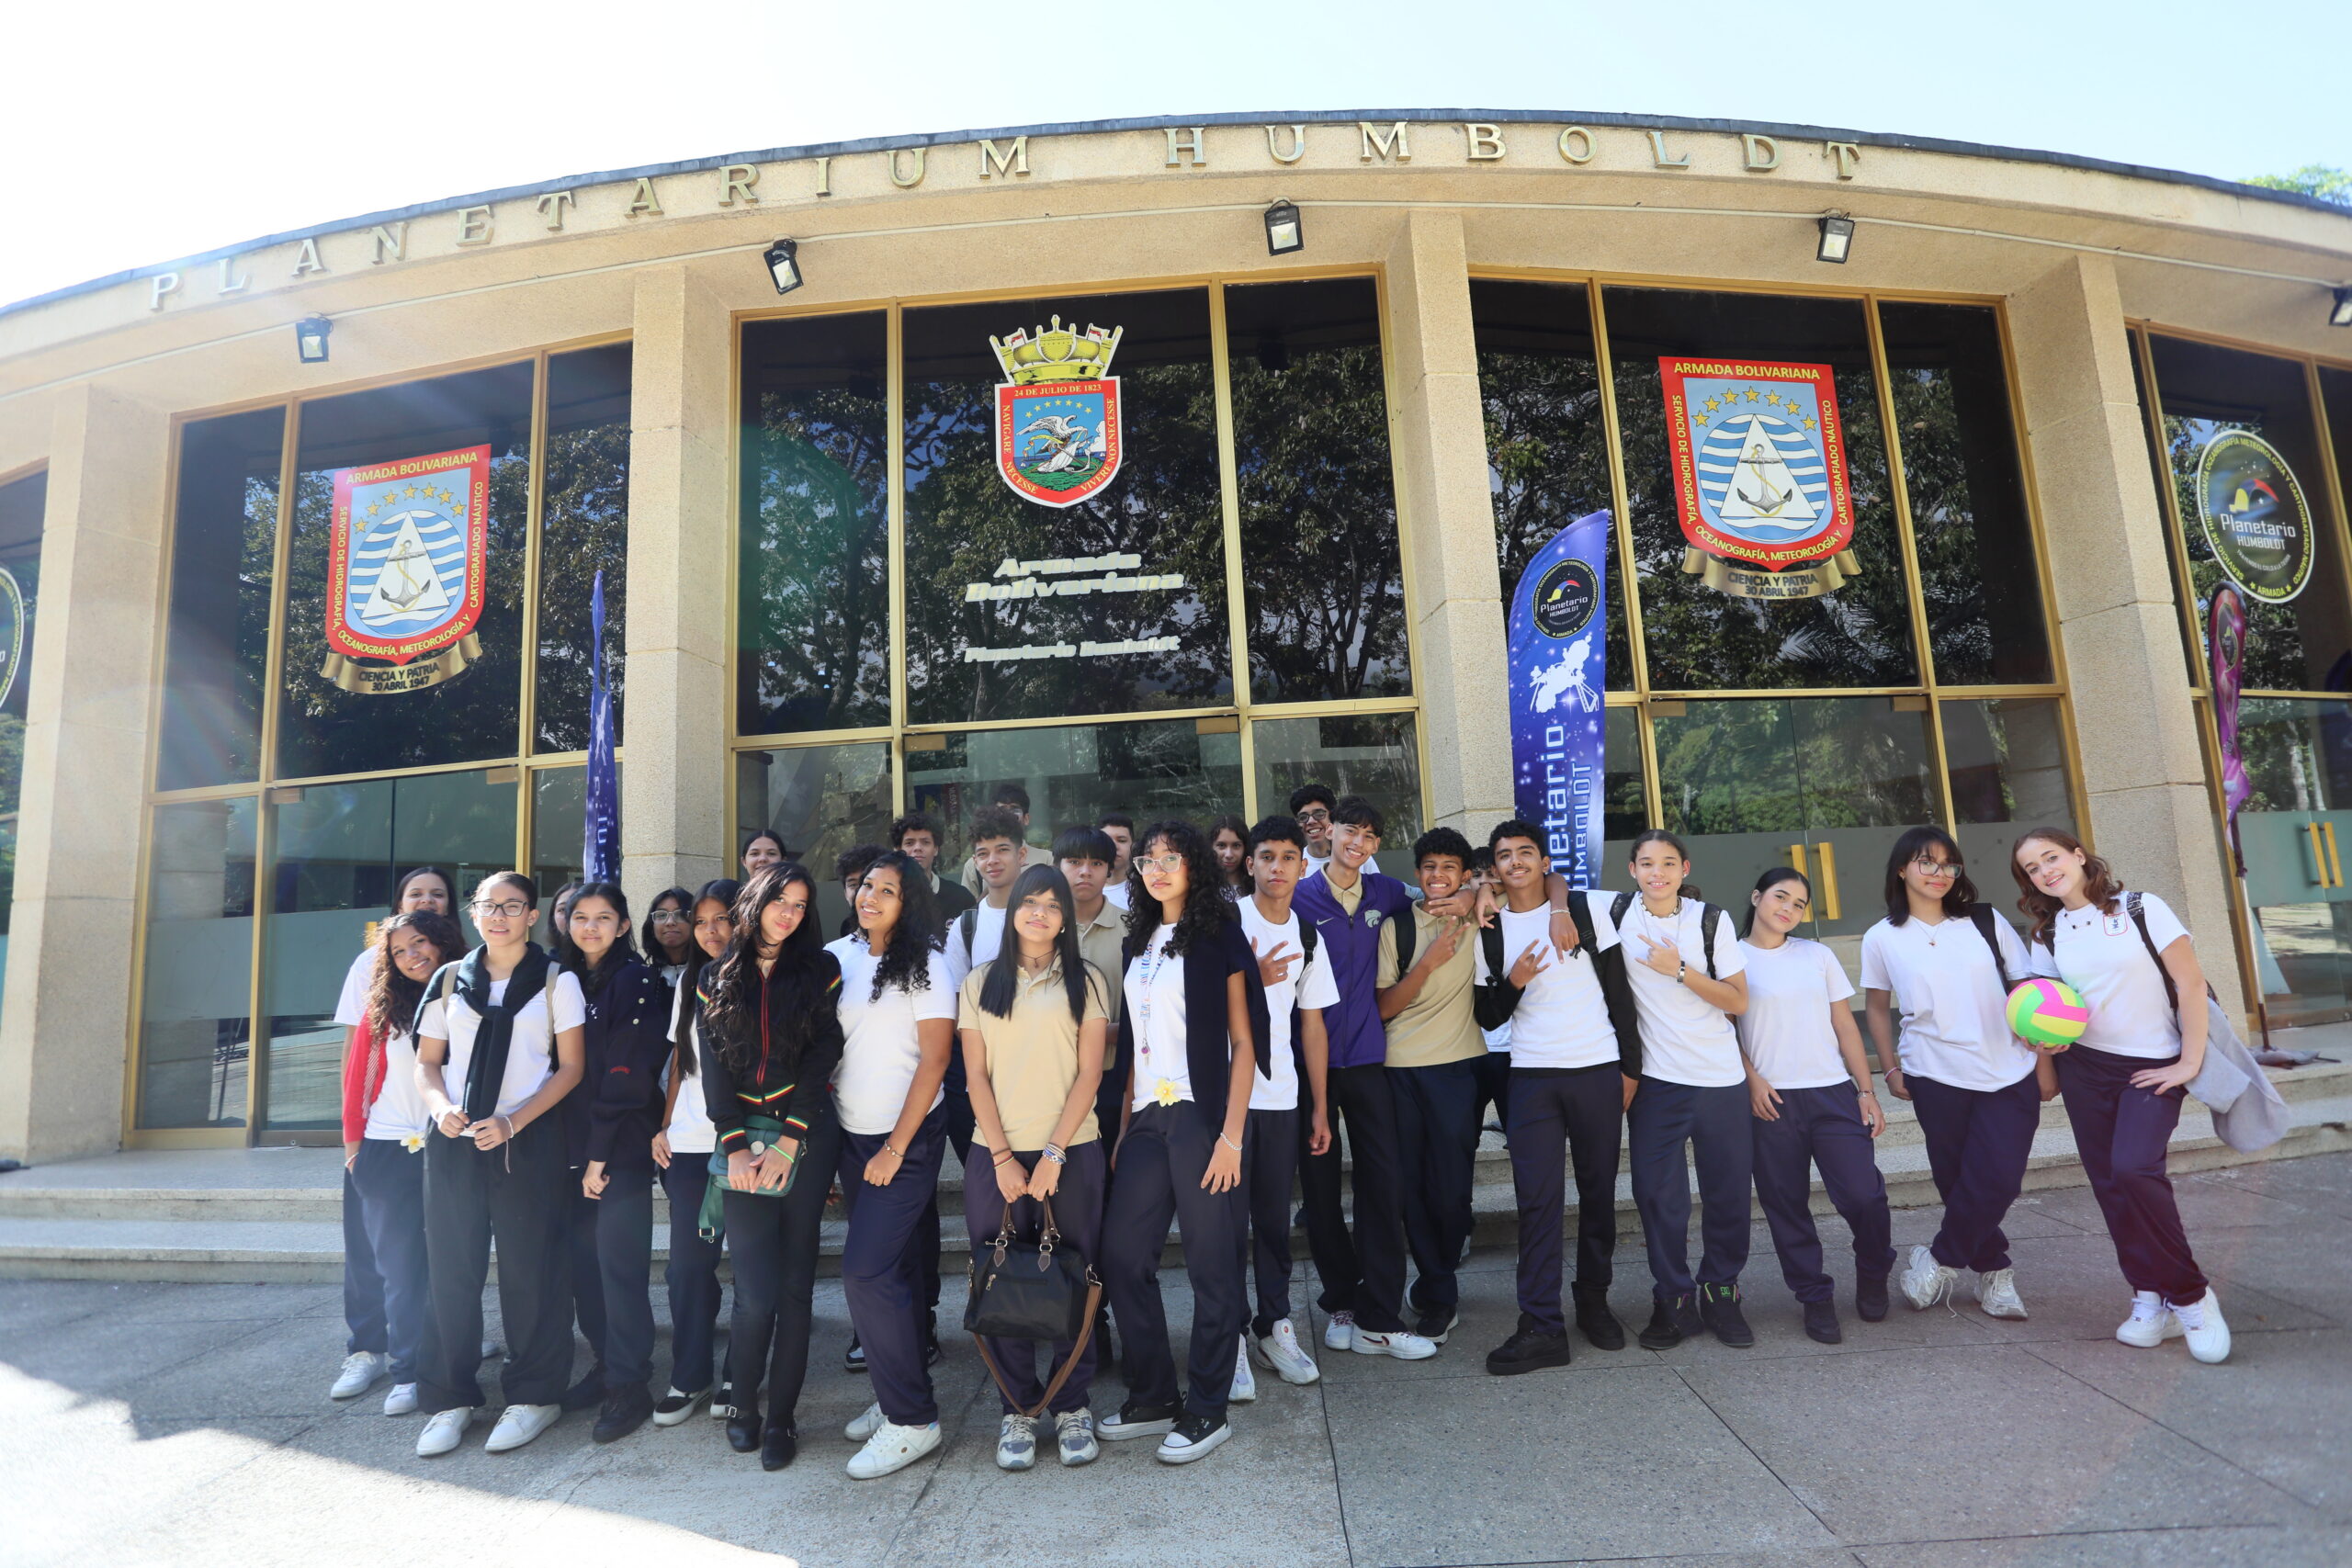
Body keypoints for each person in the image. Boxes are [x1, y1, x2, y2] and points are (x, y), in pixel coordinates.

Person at [2014, 828, 2229, 1361]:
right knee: (2111, 1184)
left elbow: (2191, 984)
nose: (2045, 871)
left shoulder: (2140, 908)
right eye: (2032, 868)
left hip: (2152, 1065)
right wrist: (2039, 1047)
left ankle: (2193, 1297)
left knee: (2136, 1170)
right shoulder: (2047, 934)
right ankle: (2149, 1293)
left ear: (2079, 856)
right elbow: (2044, 1005)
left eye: (2051, 857)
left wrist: (2189, 1061)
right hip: (2086, 1069)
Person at [1097, 819, 1271, 1463]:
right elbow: (1136, 1044)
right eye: (1148, 858)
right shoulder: (1138, 937)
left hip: (1202, 1117)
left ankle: (1207, 1407)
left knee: (1212, 1266)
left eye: (1172, 857)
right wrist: (1122, 1129)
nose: (1159, 867)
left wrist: (1232, 1136)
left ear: (1194, 865)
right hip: (1146, 1119)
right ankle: (1153, 1394)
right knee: (1121, 1256)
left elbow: (1246, 1040)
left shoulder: (1217, 934)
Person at [411, 872, 587, 1458]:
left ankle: (535, 1394)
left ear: (532, 916)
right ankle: (449, 1398)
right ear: (475, 911)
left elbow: (570, 1069)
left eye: (512, 907)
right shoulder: (447, 978)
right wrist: (439, 1109)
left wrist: (513, 1120)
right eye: (489, 905)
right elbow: (428, 1065)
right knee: (450, 1269)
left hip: (526, 1141)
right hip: (456, 1141)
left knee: (529, 1270)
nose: (499, 916)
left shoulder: (557, 979)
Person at [1862, 826, 2054, 1321]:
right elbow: (1878, 1008)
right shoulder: (1882, 937)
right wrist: (1889, 1069)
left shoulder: (1985, 921)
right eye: (1927, 862)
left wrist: (2047, 1060)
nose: (1940, 873)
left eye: (1949, 865)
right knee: (1957, 1178)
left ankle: (1940, 1258)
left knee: (2001, 1177)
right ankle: (1995, 1272)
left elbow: (2029, 989)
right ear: (1902, 867)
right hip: (1933, 1071)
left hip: (2009, 1068)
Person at [958, 863, 1111, 1470]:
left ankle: (1072, 1402)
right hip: (992, 1152)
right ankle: (1017, 1408)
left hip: (1072, 1148)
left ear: (1065, 917)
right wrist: (1001, 1155)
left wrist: (1052, 1153)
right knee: (1002, 1279)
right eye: (1030, 901)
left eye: (1053, 903)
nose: (1041, 912)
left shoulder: (1088, 980)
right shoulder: (978, 982)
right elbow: (973, 1074)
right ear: (1012, 909)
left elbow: (1090, 1073)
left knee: (1074, 1275)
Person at [1473, 820, 1635, 1374]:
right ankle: (1542, 1324)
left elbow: (1621, 995)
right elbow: (1487, 1015)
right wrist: (1513, 980)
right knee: (1537, 1203)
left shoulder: (1583, 912)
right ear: (1494, 868)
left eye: (1525, 852)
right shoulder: (1489, 929)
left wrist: (1629, 1071)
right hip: (1531, 1079)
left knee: (1597, 1195)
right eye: (1504, 856)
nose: (1515, 862)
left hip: (1595, 1070)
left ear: (1544, 861)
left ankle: (1593, 1302)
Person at [700, 866, 847, 1472]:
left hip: (804, 1138)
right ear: (756, 902)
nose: (787, 913)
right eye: (778, 901)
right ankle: (743, 1408)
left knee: (794, 1288)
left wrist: (789, 1138)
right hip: (741, 1143)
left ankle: (782, 1417)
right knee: (754, 1291)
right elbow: (715, 1069)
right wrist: (735, 1145)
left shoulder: (819, 971)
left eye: (799, 905)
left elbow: (822, 1057)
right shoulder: (714, 976)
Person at [1289, 796, 1438, 1361]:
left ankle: (1380, 1313)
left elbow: (1443, 896)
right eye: (1352, 829)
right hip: (1310, 1067)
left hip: (1372, 1061)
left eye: (1371, 835)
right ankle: (1342, 1302)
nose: (1359, 842)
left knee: (1384, 1184)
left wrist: (1477, 895)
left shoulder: (1388, 894)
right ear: (1331, 833)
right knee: (1322, 1193)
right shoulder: (1299, 897)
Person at [831, 850, 957, 1479]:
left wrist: (896, 1146)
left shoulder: (927, 963)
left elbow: (935, 1061)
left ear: (910, 901)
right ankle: (894, 1396)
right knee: (896, 1272)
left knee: (865, 1271)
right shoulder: (838, 955)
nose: (871, 896)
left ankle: (913, 1420)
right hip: (852, 1137)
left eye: (888, 888)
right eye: (865, 886)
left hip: (905, 1139)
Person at [1737, 867, 1894, 1345]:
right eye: (1780, 897)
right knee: (1785, 1206)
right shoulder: (1731, 957)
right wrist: (1752, 1080)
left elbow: (1846, 1026)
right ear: (1757, 896)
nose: (1788, 908)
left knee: (1863, 1195)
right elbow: (1722, 1027)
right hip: (1771, 1099)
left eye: (1799, 904)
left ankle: (1873, 1270)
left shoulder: (1817, 955)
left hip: (1831, 1093)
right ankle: (1814, 1297)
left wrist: (1866, 1091)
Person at [1612, 830, 1753, 1348]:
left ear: (1684, 869)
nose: (1657, 873)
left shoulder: (1709, 919)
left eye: (1668, 864)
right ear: (1631, 870)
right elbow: (1555, 888)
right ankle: (1673, 1298)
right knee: (1656, 1195)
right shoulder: (1616, 913)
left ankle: (1721, 1290)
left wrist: (1681, 971)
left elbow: (1738, 1000)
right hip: (1656, 1085)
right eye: (1646, 863)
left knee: (1729, 1193)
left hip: (1719, 1080)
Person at [334, 908, 464, 1416]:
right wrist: (354, 1151)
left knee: (449, 1265)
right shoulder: (381, 1007)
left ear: (443, 942)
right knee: (399, 1268)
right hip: (386, 1149)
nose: (413, 956)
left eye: (422, 944)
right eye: (400, 950)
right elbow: (356, 1083)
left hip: (448, 1144)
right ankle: (407, 1372)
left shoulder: (465, 998)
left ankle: (445, 1362)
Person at [568, 882, 680, 1443]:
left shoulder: (634, 980)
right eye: (579, 916)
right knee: (588, 1271)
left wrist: (598, 1155)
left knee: (620, 1272)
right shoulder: (571, 979)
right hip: (578, 1148)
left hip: (620, 1148)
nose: (590, 927)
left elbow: (628, 1075)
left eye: (603, 918)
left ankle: (630, 1384)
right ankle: (608, 1365)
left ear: (622, 924)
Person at [1231, 815, 1335, 1393]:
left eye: (1287, 857)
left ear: (1302, 864)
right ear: (1250, 864)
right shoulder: (1224, 923)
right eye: (1265, 856)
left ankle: (1273, 1326)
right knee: (1222, 1226)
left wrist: (1319, 1107)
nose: (1276, 867)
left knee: (1271, 1222)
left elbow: (1312, 1024)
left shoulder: (1307, 933)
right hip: (1224, 1100)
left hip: (1280, 1098)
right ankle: (1227, 1339)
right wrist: (1249, 975)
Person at [1374, 828, 1486, 1345]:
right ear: (1416, 874)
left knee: (1452, 1190)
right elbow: (1383, 1007)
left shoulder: (1478, 912)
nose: (1438, 876)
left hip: (1458, 1068)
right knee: (1412, 1190)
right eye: (1429, 867)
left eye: (1450, 868)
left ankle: (1439, 1279)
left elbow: (1536, 880)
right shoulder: (1396, 925)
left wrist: (1476, 894)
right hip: (1399, 1069)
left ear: (1465, 874)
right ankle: (1440, 1294)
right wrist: (1429, 963)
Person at [649, 877, 739, 1427]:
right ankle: (691, 1374)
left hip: (744, 1147)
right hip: (687, 1147)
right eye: (701, 921)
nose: (709, 931)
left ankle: (739, 1373)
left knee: (752, 1270)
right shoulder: (692, 979)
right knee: (688, 1269)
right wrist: (664, 1125)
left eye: (721, 919)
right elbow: (682, 1060)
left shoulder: (762, 978)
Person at [1057, 827, 1132, 1189]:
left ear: (1110, 869)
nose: (1085, 871)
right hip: (1054, 1077)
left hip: (1114, 1075)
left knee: (1113, 1181)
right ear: (1058, 867)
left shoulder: (1133, 928)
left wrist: (1115, 1032)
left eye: (1095, 863)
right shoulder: (1038, 927)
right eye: (1074, 862)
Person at [958, 784, 1054, 895]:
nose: (1008, 815)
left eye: (1014, 809)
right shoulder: (975, 865)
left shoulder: (1047, 859)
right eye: (1002, 810)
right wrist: (996, 881)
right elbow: (970, 908)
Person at [891, 811, 976, 920]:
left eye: (925, 842)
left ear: (936, 849)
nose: (917, 848)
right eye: (909, 843)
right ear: (899, 850)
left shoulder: (961, 898)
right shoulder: (888, 898)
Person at [1288, 784, 1381, 880]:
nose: (1311, 821)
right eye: (1303, 817)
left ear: (1333, 816)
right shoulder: (1292, 863)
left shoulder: (1357, 856)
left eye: (1319, 814)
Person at [641, 886, 696, 984]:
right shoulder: (642, 979)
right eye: (662, 915)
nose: (670, 922)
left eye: (680, 914)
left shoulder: (710, 975)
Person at [835, 843, 884, 939]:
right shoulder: (846, 929)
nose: (860, 892)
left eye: (867, 884)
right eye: (853, 885)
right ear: (845, 893)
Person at [1096, 812, 1136, 908]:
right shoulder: (1085, 889)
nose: (1113, 846)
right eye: (1106, 840)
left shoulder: (1146, 889)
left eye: (1121, 841)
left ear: (1133, 846)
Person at [1208, 814, 1250, 897]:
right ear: (1210, 847)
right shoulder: (1199, 890)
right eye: (1221, 845)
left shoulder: (1259, 889)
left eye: (1236, 846)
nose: (1229, 854)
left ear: (1246, 848)